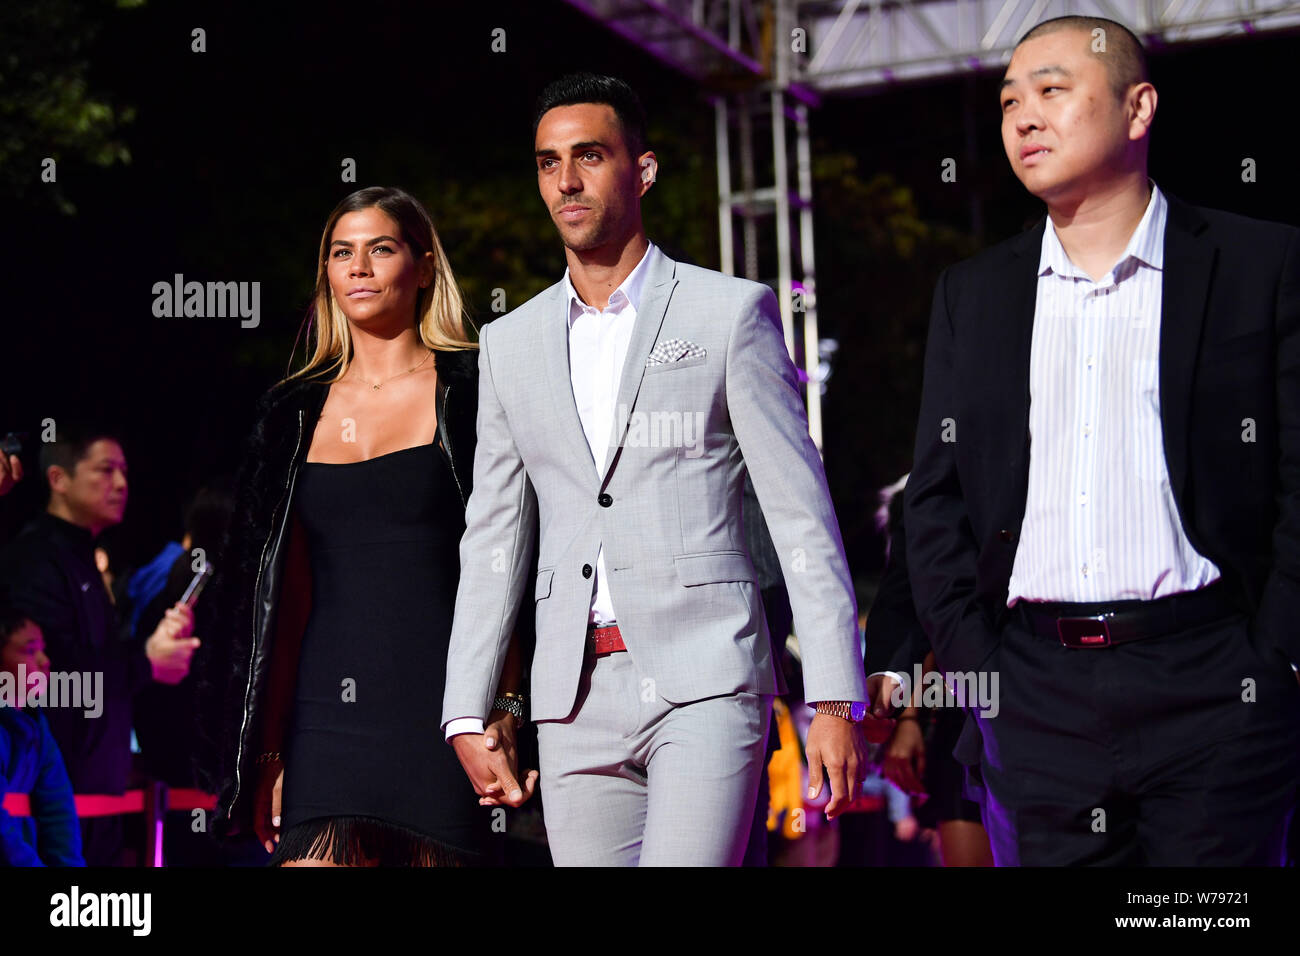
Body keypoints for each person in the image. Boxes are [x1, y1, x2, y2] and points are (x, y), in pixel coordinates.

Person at [441, 73, 873, 866]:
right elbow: (493, 533)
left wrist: (838, 695)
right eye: (547, 162)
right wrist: (466, 710)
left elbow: (798, 513)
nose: (565, 180)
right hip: (571, 696)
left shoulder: (730, 312)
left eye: (589, 156)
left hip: (708, 675)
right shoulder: (510, 342)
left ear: (641, 170)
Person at [900, 15, 1300, 864]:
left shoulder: (1257, 263)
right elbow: (933, 503)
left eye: (1052, 90)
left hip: (1215, 680)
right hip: (1035, 694)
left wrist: (1275, 658)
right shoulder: (972, 295)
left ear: (1138, 107)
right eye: (1010, 100)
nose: (1024, 118)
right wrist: (985, 671)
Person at [203, 186, 532, 867]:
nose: (358, 267)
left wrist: (505, 702)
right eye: (341, 253)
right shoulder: (288, 413)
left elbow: (513, 566)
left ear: (424, 264)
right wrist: (266, 747)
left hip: (448, 717)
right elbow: (273, 601)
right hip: (324, 722)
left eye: (380, 249)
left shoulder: (476, 389)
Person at [0, 424, 198, 865]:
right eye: (105, 470)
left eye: (125, 471)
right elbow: (58, 681)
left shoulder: (83, 556)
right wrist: (147, 662)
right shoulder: (34, 559)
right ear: (58, 478)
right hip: (51, 798)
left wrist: (153, 648)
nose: (122, 484)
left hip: (93, 793)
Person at [0, 604, 85, 865]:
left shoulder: (36, 724)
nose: (44, 660)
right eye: (30, 650)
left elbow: (58, 810)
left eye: (42, 649)